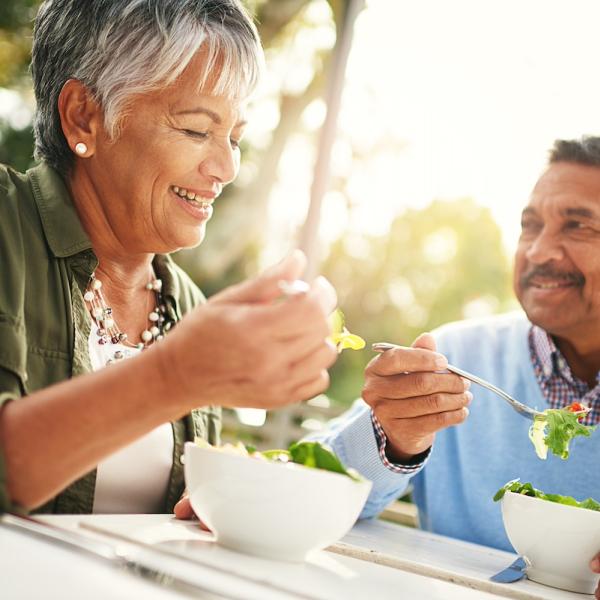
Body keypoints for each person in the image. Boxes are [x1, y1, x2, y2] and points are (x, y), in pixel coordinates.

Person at [0, 0, 338, 516]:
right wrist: (174, 375)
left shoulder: (190, 306)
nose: (226, 167)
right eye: (196, 130)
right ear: (83, 117)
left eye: (234, 138)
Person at [312, 136, 600, 595]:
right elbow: (312, 487)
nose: (539, 251)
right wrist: (394, 441)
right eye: (530, 225)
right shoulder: (457, 359)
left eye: (579, 227)